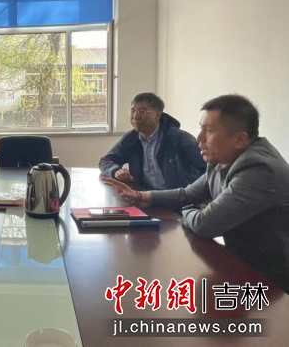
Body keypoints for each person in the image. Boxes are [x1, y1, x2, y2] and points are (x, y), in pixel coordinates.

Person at [104, 94, 289, 292]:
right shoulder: (220, 159)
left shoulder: (259, 170)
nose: (199, 138)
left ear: (239, 139)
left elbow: (204, 224)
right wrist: (140, 196)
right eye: (201, 128)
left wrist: (185, 210)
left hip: (272, 279)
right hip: (241, 262)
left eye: (208, 130)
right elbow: (187, 194)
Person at [99, 93, 205, 190]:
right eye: (132, 111)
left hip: (179, 199)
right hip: (145, 197)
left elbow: (206, 169)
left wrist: (195, 194)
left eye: (142, 111)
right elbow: (105, 161)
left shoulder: (179, 138)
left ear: (157, 115)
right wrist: (116, 171)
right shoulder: (130, 138)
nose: (135, 116)